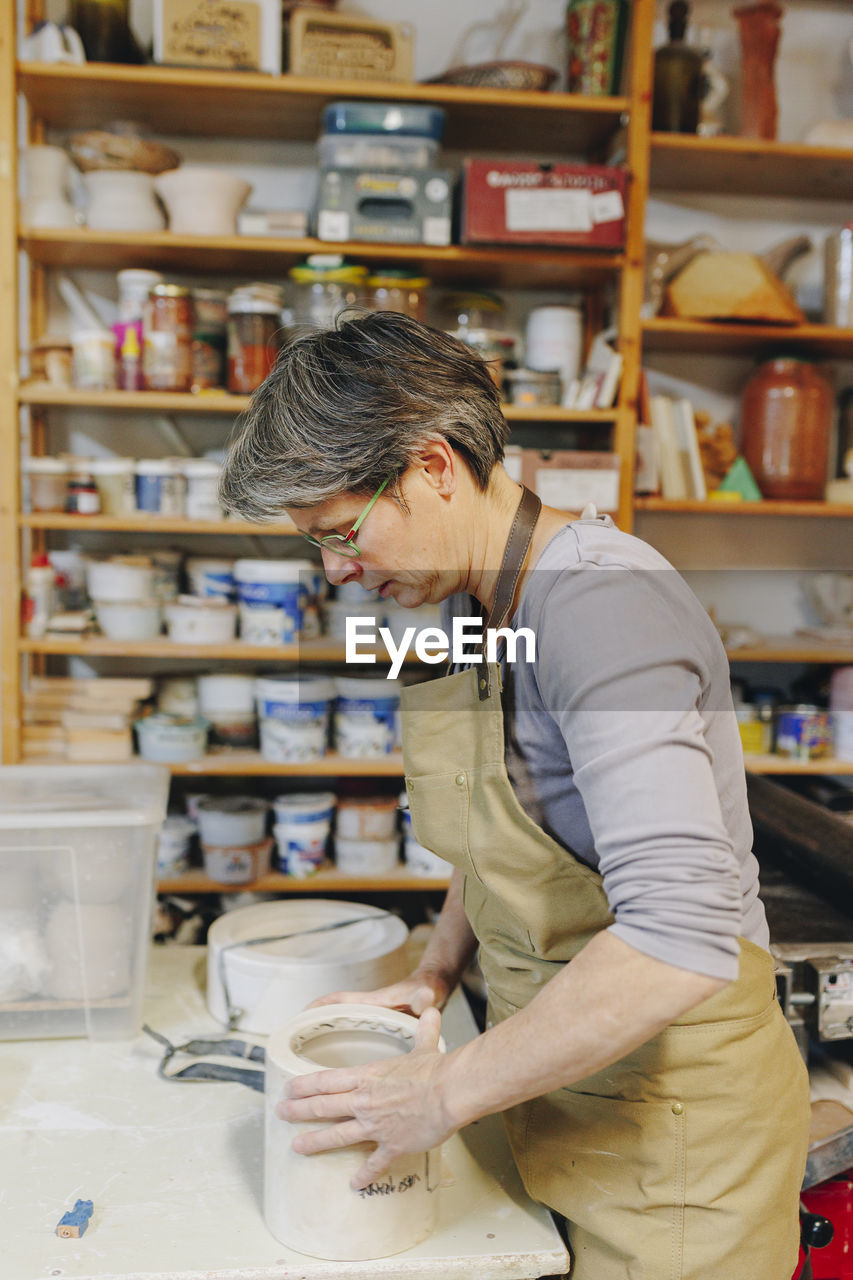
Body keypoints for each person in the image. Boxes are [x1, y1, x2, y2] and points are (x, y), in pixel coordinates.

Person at [220, 311, 809, 1280]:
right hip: (550, 1074)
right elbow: (511, 832)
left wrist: (443, 1089)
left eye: (339, 531)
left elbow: (678, 933)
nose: (335, 570)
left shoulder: (599, 605)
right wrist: (435, 971)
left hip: (675, 1128)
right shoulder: (469, 598)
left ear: (433, 466)